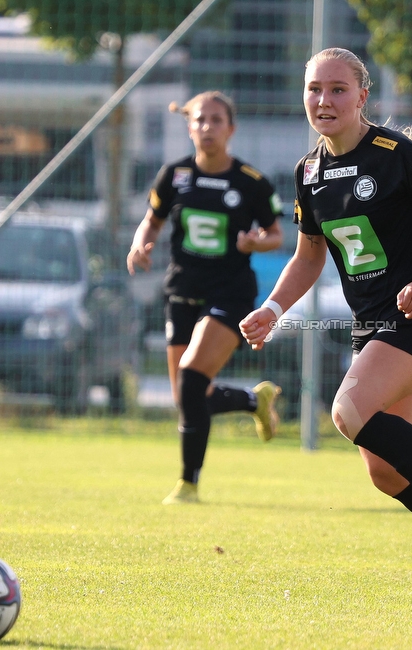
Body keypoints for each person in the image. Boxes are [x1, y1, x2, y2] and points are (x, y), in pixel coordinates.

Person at [239, 47, 412, 579]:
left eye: (337, 89)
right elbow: (309, 254)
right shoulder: (308, 172)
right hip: (372, 326)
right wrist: (273, 308)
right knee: (384, 471)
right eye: (314, 89)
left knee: (347, 411)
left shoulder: (398, 153)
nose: (324, 100)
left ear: (362, 96)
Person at [127, 91, 285, 505]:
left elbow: (277, 235)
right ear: (189, 126)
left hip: (230, 292)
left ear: (230, 129)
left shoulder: (249, 182)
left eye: (216, 120)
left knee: (194, 379)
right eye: (200, 120)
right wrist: (140, 245)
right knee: (186, 396)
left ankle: (188, 485)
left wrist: (256, 242)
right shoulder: (174, 175)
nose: (207, 127)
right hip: (182, 289)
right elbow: (151, 221)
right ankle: (255, 400)